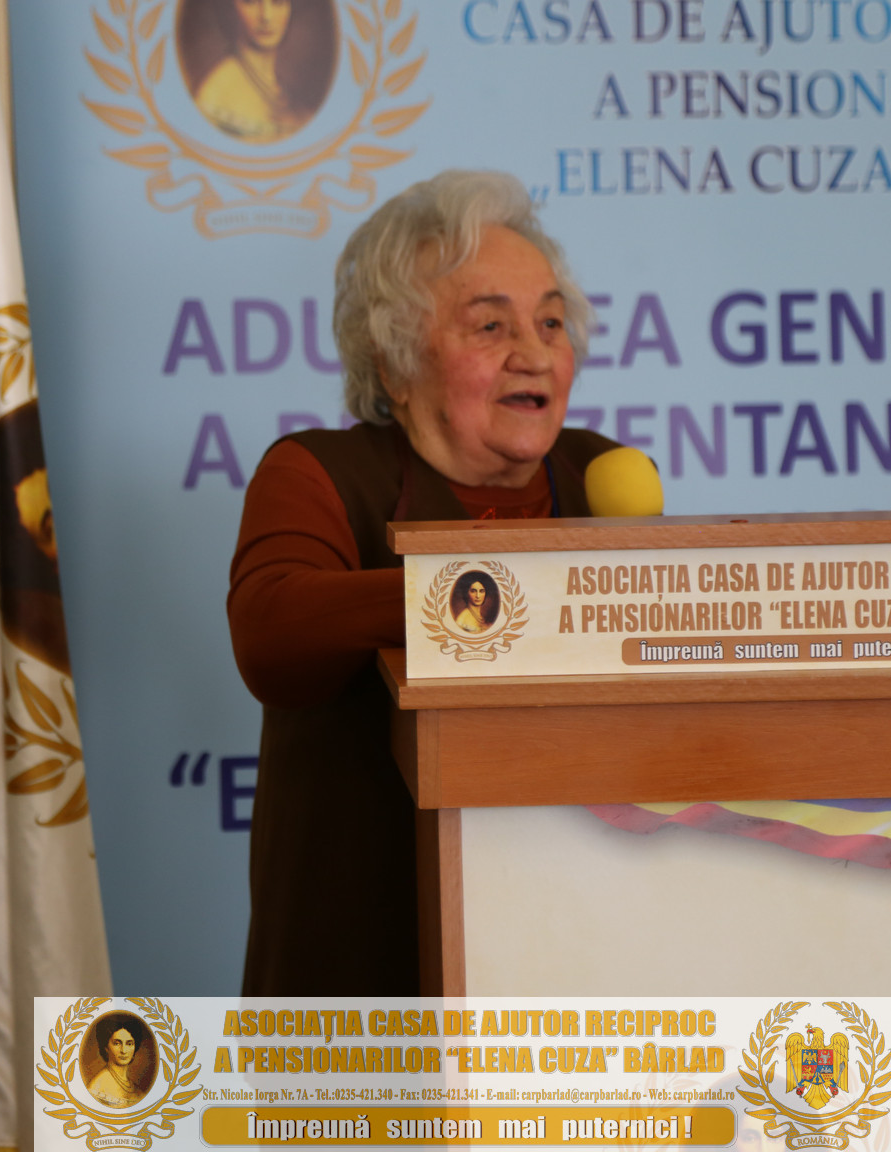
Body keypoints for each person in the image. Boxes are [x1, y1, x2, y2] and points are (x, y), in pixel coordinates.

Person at [227, 170, 619, 994]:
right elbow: (272, 630)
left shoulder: (602, 477)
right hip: (361, 980)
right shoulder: (318, 472)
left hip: (571, 969)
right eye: (491, 325)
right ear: (396, 361)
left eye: (551, 322)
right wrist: (494, 595)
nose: (534, 353)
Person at [194, 0, 304, 142]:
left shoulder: (280, 87)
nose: (266, 16)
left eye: (277, 2)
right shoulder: (214, 96)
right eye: (251, 2)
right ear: (230, 9)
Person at [86, 1012, 153, 1108]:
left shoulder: (135, 1088)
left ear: (135, 1047)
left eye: (129, 1044)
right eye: (117, 1043)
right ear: (106, 1047)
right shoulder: (97, 1087)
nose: (123, 1051)